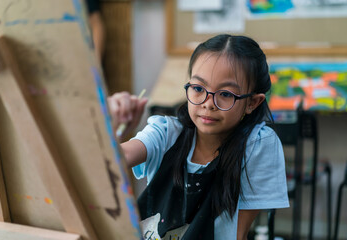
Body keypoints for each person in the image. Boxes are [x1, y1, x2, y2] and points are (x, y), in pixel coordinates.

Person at [108, 34, 289, 240]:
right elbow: (111, 161)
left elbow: (238, 234)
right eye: (198, 88)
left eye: (226, 94)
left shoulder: (258, 144)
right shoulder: (166, 132)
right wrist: (113, 128)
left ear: (252, 103)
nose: (208, 103)